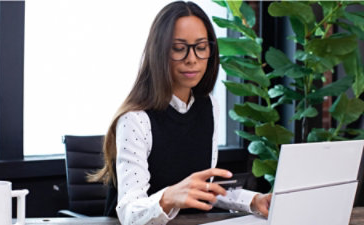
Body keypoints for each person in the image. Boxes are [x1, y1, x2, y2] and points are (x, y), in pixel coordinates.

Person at [88, 1, 271, 224]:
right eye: (179, 48)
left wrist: (254, 201)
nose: (192, 58)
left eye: (201, 47)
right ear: (160, 51)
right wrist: (169, 197)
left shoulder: (209, 106)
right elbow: (129, 212)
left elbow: (203, 190)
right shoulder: (135, 119)